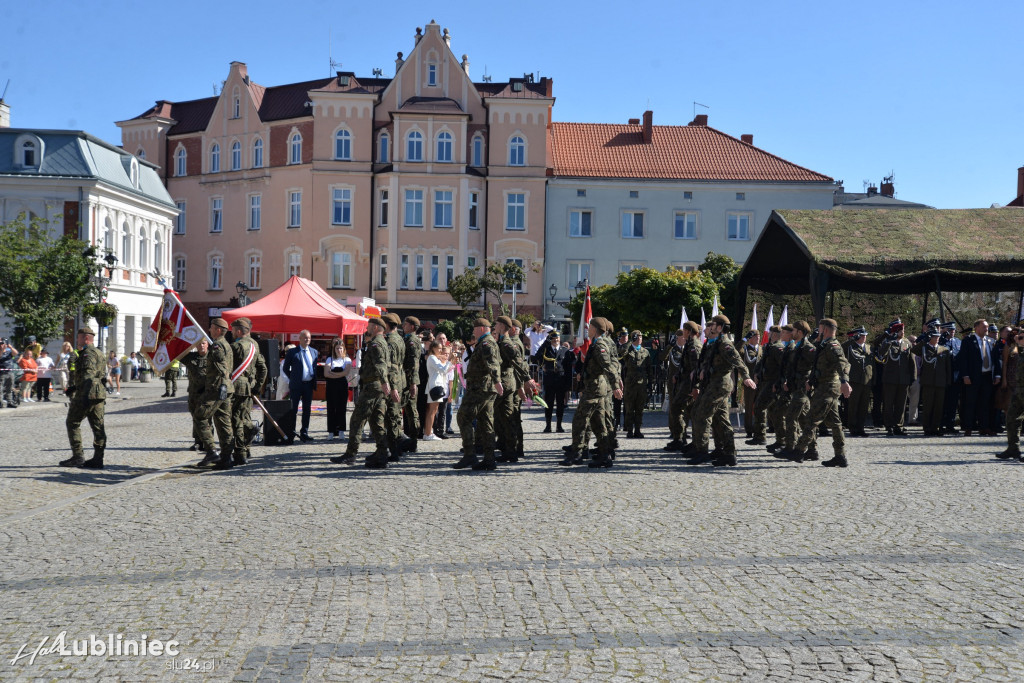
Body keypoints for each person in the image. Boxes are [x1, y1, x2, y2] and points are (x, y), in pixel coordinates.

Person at [687, 315, 757, 467]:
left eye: (713, 325)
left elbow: (737, 360)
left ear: (719, 328)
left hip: (720, 385)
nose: (710, 327)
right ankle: (728, 454)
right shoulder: (714, 343)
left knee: (702, 414)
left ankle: (702, 451)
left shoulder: (724, 343)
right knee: (721, 420)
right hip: (712, 384)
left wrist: (746, 377)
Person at [787, 319, 853, 466]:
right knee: (835, 423)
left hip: (827, 388)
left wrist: (844, 381)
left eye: (820, 328)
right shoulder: (824, 345)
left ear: (826, 330)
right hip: (824, 387)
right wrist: (811, 381)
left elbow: (842, 363)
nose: (818, 331)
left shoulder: (832, 346)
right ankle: (840, 456)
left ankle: (799, 450)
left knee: (811, 419)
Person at [331, 317, 393, 467]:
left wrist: (385, 382)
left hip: (372, 386)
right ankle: (382, 453)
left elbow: (380, 365)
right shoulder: (383, 343)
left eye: (370, 326)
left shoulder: (375, 344)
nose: (368, 328)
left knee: (357, 420)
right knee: (376, 421)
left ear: (377, 328)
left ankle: (351, 454)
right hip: (377, 386)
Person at [453, 318, 503, 471]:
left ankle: (469, 454)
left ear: (481, 328)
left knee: (463, 416)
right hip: (484, 388)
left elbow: (492, 363)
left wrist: (497, 381)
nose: (473, 331)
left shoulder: (486, 343)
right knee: (485, 422)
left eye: (474, 328)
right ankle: (489, 458)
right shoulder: (486, 342)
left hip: (480, 388)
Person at [59, 326, 107, 468]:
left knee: (72, 422)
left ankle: (78, 456)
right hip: (98, 394)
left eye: (79, 337)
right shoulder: (99, 352)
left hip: (87, 393)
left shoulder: (88, 354)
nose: (77, 340)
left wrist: (84, 394)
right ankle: (98, 459)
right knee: (98, 427)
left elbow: (88, 375)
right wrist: (73, 386)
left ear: (86, 338)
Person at [193, 318, 235, 469]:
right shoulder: (227, 345)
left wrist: (222, 385)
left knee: (199, 415)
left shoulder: (217, 345)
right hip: (226, 388)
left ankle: (211, 450)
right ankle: (226, 458)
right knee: (223, 423)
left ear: (217, 330)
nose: (209, 330)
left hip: (217, 389)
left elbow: (222, 367)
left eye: (211, 327)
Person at [775, 321, 816, 460]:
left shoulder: (808, 348)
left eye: (793, 330)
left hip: (802, 388)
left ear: (799, 332)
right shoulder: (797, 347)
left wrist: (811, 381)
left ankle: (791, 448)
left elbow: (816, 365)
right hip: (795, 386)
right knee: (805, 418)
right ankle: (812, 450)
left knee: (791, 416)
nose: (791, 333)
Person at [229, 317, 267, 465]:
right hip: (249, 387)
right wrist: (257, 387)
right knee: (245, 416)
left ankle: (240, 453)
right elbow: (263, 368)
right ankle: (247, 448)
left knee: (237, 420)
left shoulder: (236, 346)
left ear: (239, 331)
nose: (232, 333)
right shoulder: (255, 345)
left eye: (233, 330)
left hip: (237, 387)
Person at [958, 318, 1001, 436]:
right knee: (970, 402)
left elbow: (996, 360)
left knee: (985, 403)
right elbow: (964, 359)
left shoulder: (991, 341)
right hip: (973, 376)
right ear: (976, 328)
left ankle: (984, 427)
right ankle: (968, 427)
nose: (987, 329)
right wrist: (965, 375)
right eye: (984, 327)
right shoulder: (968, 341)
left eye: (987, 327)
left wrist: (997, 374)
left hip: (987, 376)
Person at [874, 319, 917, 436]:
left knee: (901, 404)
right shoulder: (888, 342)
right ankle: (889, 425)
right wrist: (889, 341)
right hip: (889, 379)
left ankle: (899, 425)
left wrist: (913, 376)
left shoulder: (907, 343)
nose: (902, 332)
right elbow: (881, 353)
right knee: (888, 403)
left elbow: (911, 361)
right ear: (895, 332)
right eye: (900, 331)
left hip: (903, 379)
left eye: (903, 330)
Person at [665, 322, 703, 451]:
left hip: (689, 385)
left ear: (687, 331)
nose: (683, 332)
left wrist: (695, 386)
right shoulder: (689, 344)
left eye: (684, 330)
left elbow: (696, 368)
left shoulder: (694, 345)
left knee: (676, 408)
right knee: (690, 412)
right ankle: (685, 440)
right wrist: (677, 375)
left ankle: (681, 439)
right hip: (685, 383)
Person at [913, 325, 953, 436]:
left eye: (938, 336)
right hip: (928, 382)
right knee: (928, 406)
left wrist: (948, 381)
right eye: (935, 336)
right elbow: (913, 350)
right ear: (931, 337)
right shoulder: (924, 348)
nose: (937, 338)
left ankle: (935, 428)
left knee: (938, 407)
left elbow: (947, 367)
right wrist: (924, 340)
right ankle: (927, 428)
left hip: (940, 382)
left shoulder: (944, 350)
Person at [282, 329, 318, 442]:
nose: (307, 339)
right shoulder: (293, 352)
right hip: (296, 385)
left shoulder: (314, 352)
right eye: (305, 337)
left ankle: (304, 432)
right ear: (300, 338)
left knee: (307, 410)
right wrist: (294, 378)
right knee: (293, 410)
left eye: (309, 338)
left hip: (308, 385)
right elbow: (285, 368)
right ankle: (291, 433)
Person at [997, 328, 1024, 460]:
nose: (1019, 340)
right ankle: (1013, 448)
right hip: (1019, 390)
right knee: (1011, 418)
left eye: (1021, 338)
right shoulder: (1020, 350)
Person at [534, 331, 569, 432]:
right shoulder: (546, 349)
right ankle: (548, 425)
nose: (556, 340)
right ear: (550, 340)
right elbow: (537, 356)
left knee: (560, 404)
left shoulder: (564, 351)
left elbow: (568, 367)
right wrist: (545, 343)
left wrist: (567, 384)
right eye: (553, 339)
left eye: (557, 338)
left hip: (561, 380)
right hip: (549, 379)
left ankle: (559, 425)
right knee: (548, 403)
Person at [842, 326, 873, 437]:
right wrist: (852, 339)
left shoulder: (869, 347)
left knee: (864, 407)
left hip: (866, 380)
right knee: (853, 406)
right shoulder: (850, 347)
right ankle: (853, 428)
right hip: (854, 380)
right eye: (862, 335)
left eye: (865, 335)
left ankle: (861, 428)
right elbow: (840, 348)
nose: (864, 337)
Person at [621, 330, 651, 438]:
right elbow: (621, 354)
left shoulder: (645, 352)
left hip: (641, 385)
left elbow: (649, 370)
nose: (639, 339)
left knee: (639, 409)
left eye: (641, 337)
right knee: (629, 408)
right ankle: (629, 430)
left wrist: (650, 385)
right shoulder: (628, 350)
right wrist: (629, 342)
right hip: (630, 385)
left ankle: (637, 429)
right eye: (637, 337)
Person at [181, 339, 210, 451]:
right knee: (195, 417)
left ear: (207, 344)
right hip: (194, 394)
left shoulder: (212, 357)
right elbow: (178, 354)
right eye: (199, 344)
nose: (201, 346)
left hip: (207, 394)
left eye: (203, 343)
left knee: (207, 419)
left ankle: (208, 442)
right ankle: (198, 442)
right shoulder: (190, 357)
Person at [423, 340, 453, 440]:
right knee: (432, 411)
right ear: (433, 348)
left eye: (441, 348)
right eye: (439, 348)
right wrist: (449, 362)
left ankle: (428, 432)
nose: (440, 350)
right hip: (434, 386)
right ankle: (428, 434)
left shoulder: (434, 358)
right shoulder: (432, 358)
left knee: (433, 410)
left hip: (435, 385)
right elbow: (443, 370)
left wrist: (444, 360)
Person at [324, 337, 353, 440]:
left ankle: (341, 431)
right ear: (334, 349)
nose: (339, 350)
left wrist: (333, 374)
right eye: (337, 348)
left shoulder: (347, 359)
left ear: (343, 349)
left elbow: (347, 372)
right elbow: (325, 374)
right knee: (331, 408)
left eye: (341, 348)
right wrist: (339, 375)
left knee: (341, 408)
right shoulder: (329, 359)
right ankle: (331, 431)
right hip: (331, 386)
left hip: (342, 386)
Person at [401, 316, 422, 449]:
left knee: (412, 412)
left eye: (406, 324)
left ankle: (413, 440)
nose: (403, 326)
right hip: (405, 379)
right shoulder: (407, 339)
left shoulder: (412, 341)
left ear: (412, 327)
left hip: (409, 381)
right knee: (408, 411)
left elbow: (414, 363)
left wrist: (413, 383)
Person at [739, 330, 761, 436]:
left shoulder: (762, 349)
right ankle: (749, 429)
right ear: (750, 338)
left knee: (759, 406)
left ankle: (759, 429)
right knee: (748, 407)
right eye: (755, 336)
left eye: (759, 336)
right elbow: (736, 349)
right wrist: (744, 339)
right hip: (749, 381)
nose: (758, 338)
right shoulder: (745, 349)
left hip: (761, 382)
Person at [0, 339, 17, 408]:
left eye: (3, 343)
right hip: (1, 373)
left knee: (9, 388)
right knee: (0, 388)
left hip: (10, 372)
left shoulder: (9, 352)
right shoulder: (0, 352)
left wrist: (10, 347)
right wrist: (1, 349)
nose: (2, 345)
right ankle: (0, 402)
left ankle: (10, 402)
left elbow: (16, 353)